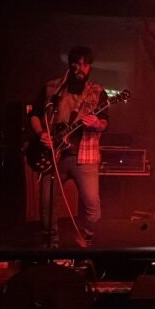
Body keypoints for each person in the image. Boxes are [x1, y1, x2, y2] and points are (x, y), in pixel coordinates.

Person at [29, 46, 109, 248]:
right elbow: (34, 114)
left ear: (90, 67)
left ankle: (85, 239)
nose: (81, 69)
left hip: (85, 156)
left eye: (86, 64)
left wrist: (96, 124)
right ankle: (51, 244)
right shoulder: (52, 88)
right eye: (78, 64)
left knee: (93, 208)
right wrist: (41, 134)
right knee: (47, 203)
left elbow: (105, 123)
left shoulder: (97, 92)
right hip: (54, 156)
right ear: (70, 64)